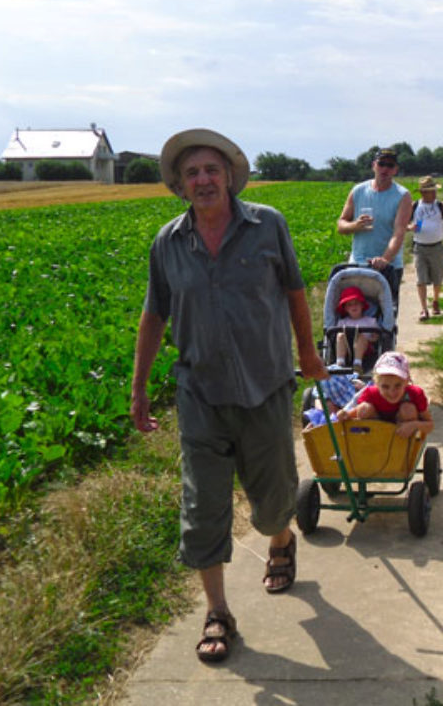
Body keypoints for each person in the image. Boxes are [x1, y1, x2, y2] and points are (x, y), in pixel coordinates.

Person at [130, 128, 327, 663]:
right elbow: (155, 314)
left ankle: (280, 540)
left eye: (211, 170)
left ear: (230, 176)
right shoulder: (167, 243)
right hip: (200, 394)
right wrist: (140, 386)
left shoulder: (268, 226)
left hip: (265, 386)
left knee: (271, 506)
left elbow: (294, 290)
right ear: (179, 183)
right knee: (202, 507)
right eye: (191, 173)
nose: (202, 180)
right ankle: (218, 611)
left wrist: (308, 353)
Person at [337, 148, 412, 307]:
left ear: (395, 170)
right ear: (373, 165)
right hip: (358, 263)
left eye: (390, 165)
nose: (385, 169)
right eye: (381, 164)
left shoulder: (402, 195)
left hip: (389, 267)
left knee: (386, 319)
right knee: (354, 314)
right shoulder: (358, 191)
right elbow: (341, 224)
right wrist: (355, 225)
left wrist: (384, 259)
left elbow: (399, 233)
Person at [337, 351, 434, 439]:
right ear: (376, 383)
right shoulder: (370, 393)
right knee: (364, 409)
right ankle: (369, 441)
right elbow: (354, 414)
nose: (392, 393)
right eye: (385, 387)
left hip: (402, 435)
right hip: (376, 432)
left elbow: (430, 425)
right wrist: (344, 415)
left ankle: (404, 446)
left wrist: (414, 425)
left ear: (407, 381)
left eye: (397, 386)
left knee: (408, 409)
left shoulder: (415, 394)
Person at [409, 175, 443, 321]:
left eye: (434, 190)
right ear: (422, 193)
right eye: (431, 191)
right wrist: (410, 227)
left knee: (437, 279)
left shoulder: (440, 205)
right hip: (420, 247)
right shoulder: (414, 206)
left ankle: (436, 300)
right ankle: (423, 309)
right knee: (421, 279)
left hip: (437, 247)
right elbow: (404, 224)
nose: (434, 194)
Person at [333, 285, 379, 371]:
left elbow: (376, 336)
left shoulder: (371, 321)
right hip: (347, 347)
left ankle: (357, 364)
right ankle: (340, 362)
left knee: (361, 337)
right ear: (346, 308)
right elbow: (335, 338)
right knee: (340, 335)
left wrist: (371, 339)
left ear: (362, 305)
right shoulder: (342, 322)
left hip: (366, 350)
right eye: (350, 305)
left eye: (356, 303)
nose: (354, 306)